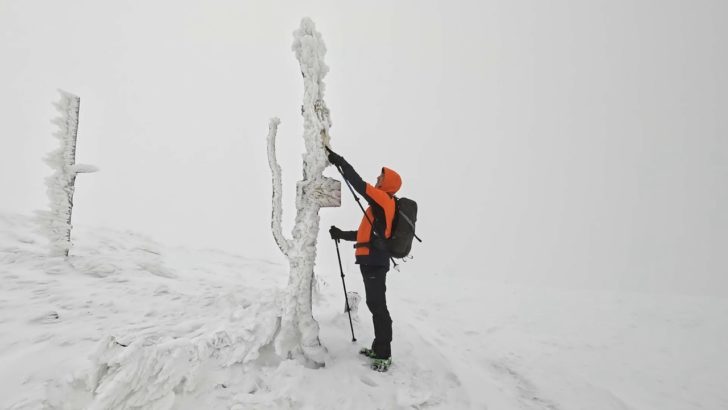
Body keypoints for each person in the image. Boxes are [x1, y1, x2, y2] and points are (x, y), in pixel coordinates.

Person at [326, 147, 401, 372]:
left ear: (388, 184)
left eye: (381, 177)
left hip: (375, 262)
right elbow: (365, 236)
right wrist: (341, 234)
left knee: (378, 306)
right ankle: (379, 348)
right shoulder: (378, 206)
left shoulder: (384, 200)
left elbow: (358, 184)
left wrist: (340, 161)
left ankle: (384, 353)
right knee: (375, 304)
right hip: (372, 260)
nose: (378, 179)